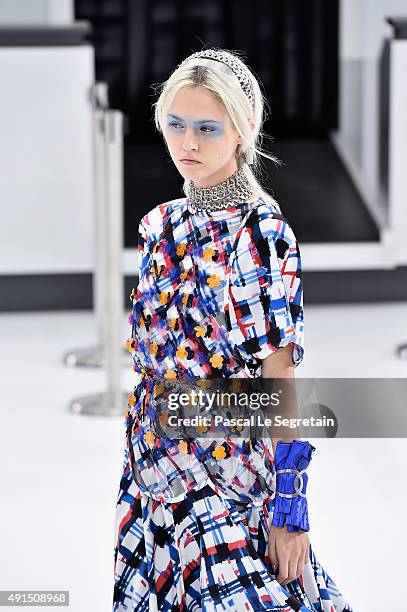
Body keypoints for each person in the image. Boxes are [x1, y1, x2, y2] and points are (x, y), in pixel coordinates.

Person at [113, 48, 353, 611]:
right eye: (175, 125)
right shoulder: (166, 223)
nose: (187, 144)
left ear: (243, 132)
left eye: (206, 128)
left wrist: (291, 509)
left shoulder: (262, 234)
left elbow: (280, 377)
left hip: (226, 475)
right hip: (153, 468)